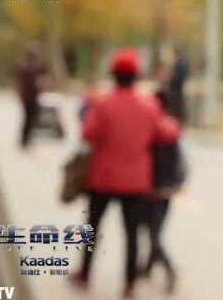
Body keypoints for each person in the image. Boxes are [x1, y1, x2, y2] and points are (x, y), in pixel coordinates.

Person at [72, 49, 180, 298]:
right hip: (135, 182)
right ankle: (129, 283)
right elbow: (166, 133)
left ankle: (85, 274)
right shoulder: (149, 105)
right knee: (131, 233)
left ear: (114, 75)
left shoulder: (102, 103)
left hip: (102, 178)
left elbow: (88, 134)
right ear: (136, 76)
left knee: (92, 229)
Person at [140, 65, 188, 293]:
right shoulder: (172, 128)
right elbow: (181, 162)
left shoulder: (151, 128)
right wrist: (177, 184)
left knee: (153, 233)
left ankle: (169, 269)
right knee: (155, 230)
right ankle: (148, 267)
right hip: (168, 189)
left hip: (153, 188)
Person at [16, 47, 45, 148]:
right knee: (29, 119)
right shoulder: (31, 68)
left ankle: (25, 139)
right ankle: (26, 140)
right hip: (31, 97)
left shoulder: (24, 67)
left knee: (27, 119)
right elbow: (33, 84)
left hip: (27, 97)